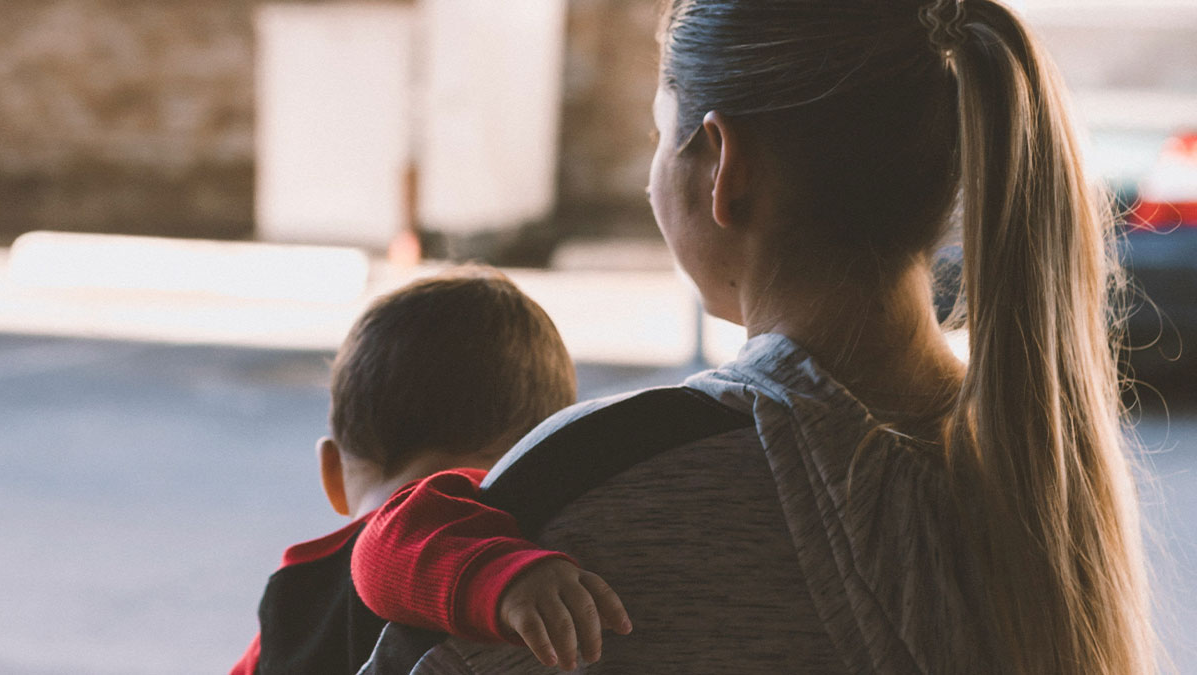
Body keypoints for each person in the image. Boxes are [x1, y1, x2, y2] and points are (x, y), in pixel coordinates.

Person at [355, 0, 1159, 673]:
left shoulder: (588, 490)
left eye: (661, 134)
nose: (649, 174)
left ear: (726, 167)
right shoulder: (1039, 484)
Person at [230, 267, 628, 675]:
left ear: (330, 472)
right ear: (539, 455)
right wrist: (507, 578)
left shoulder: (293, 594)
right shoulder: (484, 522)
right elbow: (390, 540)